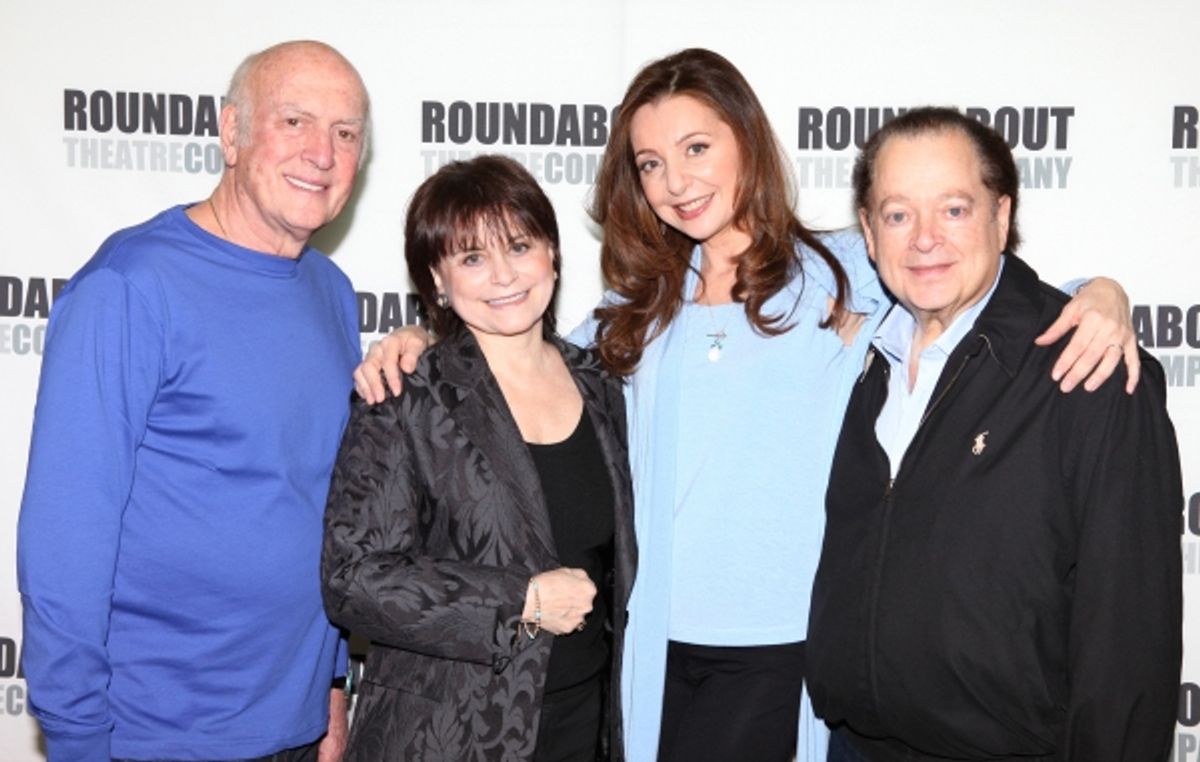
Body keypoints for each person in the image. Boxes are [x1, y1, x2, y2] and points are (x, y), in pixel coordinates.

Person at [354, 50, 1139, 762]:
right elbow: (511, 351)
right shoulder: (635, 310)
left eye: (698, 149)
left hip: (785, 653)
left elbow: (971, 288)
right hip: (654, 652)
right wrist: (422, 339)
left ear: (746, 143)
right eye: (652, 163)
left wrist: (1101, 295)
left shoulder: (842, 273)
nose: (677, 182)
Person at [17, 40, 370, 762]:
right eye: (295, 121)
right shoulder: (130, 286)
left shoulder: (331, 293)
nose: (322, 153)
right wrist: (80, 744)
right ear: (231, 132)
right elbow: (64, 542)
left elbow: (324, 509)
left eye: (346, 132)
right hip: (154, 738)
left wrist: (332, 691)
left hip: (298, 731)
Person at [806, 106, 1182, 761]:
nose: (924, 238)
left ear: (1001, 218)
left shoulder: (1089, 370)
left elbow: (1129, 639)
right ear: (868, 232)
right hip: (854, 747)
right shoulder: (861, 362)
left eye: (953, 209)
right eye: (897, 214)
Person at [321, 155, 636, 762]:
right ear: (437, 280)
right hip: (449, 734)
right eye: (472, 258)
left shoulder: (602, 384)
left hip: (585, 725)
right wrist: (522, 601)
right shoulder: (408, 394)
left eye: (519, 246)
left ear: (552, 252)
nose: (503, 276)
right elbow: (353, 578)